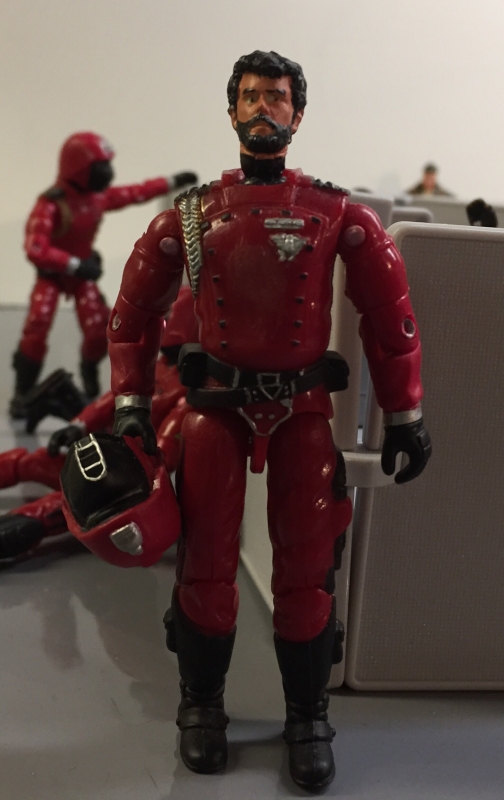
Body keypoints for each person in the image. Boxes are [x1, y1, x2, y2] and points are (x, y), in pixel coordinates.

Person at [86, 50, 431, 790]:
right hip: (215, 410)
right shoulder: (188, 214)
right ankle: (201, 707)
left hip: (303, 410)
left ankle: (308, 716)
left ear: (297, 114)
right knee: (207, 564)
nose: (263, 109)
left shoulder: (338, 213)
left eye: (276, 97)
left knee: (307, 569)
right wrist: (132, 406)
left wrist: (404, 412)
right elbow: (132, 317)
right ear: (232, 109)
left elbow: (391, 317)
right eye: (250, 96)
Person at [0, 287, 197, 560]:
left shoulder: (187, 393)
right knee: (34, 463)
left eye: (171, 314)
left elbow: (164, 451)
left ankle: (27, 522)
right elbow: (112, 401)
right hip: (105, 449)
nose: (164, 320)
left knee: (77, 500)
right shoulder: (156, 366)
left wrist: (142, 464)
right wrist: (79, 425)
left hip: (124, 478)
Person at [9, 131, 197, 416]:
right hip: (54, 275)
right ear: (78, 167)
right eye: (100, 165)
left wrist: (170, 182)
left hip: (82, 276)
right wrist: (73, 264)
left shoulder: (97, 198)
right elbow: (36, 247)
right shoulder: (51, 204)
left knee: (98, 329)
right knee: (38, 324)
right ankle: (22, 393)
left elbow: (134, 193)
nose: (107, 172)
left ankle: (89, 381)